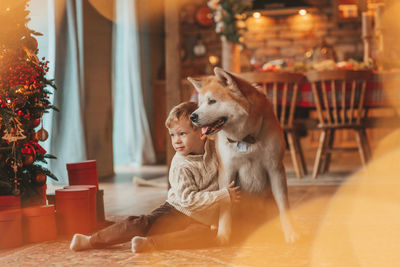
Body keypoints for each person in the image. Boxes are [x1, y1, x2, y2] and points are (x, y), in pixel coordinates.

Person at [70, 101, 240, 252]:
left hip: (201, 218)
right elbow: (188, 200)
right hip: (177, 209)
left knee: (203, 235)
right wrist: (222, 195)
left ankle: (151, 244)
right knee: (140, 223)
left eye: (182, 134)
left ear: (201, 133)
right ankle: (90, 241)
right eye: (172, 135)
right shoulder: (180, 164)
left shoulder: (214, 149)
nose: (176, 141)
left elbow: (229, 141)